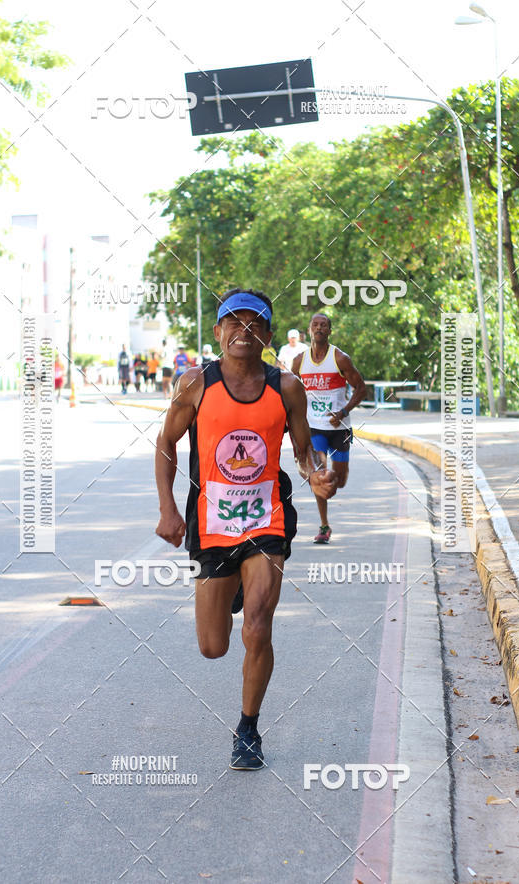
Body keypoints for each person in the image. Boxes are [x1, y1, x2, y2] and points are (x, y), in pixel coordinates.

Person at [155, 288, 336, 770]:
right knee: (213, 647)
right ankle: (230, 588)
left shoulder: (287, 387)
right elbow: (166, 444)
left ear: (268, 335)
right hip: (212, 525)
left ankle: (249, 728)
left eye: (254, 324)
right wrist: (168, 509)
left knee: (258, 627)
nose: (243, 331)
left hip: (267, 520)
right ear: (217, 332)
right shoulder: (196, 385)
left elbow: (303, 449)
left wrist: (316, 470)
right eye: (232, 323)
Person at [292, 313, 366, 544]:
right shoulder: (299, 362)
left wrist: (343, 412)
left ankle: (334, 477)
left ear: (329, 331)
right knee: (320, 475)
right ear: (309, 329)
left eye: (324, 325)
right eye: (315, 324)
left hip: (340, 428)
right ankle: (324, 526)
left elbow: (361, 389)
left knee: (339, 480)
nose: (319, 328)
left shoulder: (340, 359)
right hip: (314, 427)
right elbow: (289, 391)